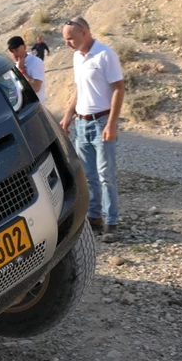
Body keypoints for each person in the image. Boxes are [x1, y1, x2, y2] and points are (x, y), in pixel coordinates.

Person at [58, 16, 124, 243]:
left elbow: (118, 89)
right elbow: (79, 88)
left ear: (84, 32)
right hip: (82, 123)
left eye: (70, 39)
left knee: (107, 176)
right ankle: (94, 217)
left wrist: (112, 123)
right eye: (65, 40)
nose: (68, 44)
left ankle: (111, 222)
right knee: (87, 175)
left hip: (101, 122)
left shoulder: (106, 55)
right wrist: (69, 114)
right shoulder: (78, 57)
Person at [6, 35, 45, 104]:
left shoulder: (35, 62)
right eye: (11, 51)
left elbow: (36, 88)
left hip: (37, 107)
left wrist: (23, 71)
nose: (14, 54)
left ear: (24, 47)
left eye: (16, 50)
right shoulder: (16, 65)